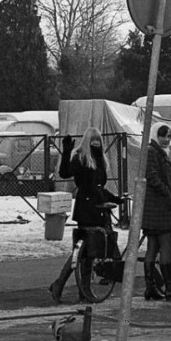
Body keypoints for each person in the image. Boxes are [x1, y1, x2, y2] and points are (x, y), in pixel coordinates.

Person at [49, 127, 121, 304]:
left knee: (87, 250)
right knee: (84, 252)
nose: (95, 143)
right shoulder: (81, 157)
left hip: (99, 208)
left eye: (98, 140)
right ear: (87, 141)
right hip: (86, 209)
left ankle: (66, 286)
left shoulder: (100, 159)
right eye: (92, 140)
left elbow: (99, 187)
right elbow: (65, 173)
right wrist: (66, 151)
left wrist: (114, 198)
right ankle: (82, 289)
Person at [141, 124, 171, 301]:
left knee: (153, 246)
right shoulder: (153, 151)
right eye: (163, 136)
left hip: (153, 207)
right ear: (156, 135)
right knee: (167, 244)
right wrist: (167, 193)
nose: (166, 139)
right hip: (159, 206)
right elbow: (152, 176)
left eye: (169, 136)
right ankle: (170, 287)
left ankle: (151, 287)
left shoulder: (157, 151)